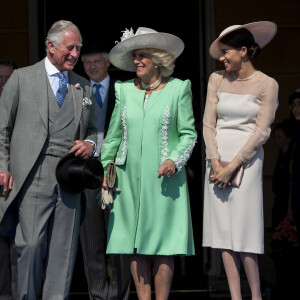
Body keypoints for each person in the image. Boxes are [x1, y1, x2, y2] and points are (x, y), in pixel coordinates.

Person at [0, 20, 97, 300]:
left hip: (70, 177)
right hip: (32, 175)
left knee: (64, 252)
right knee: (29, 245)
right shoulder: (21, 78)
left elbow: (91, 130)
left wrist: (89, 143)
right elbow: (2, 127)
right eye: (70, 48)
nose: (75, 54)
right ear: (51, 46)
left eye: (78, 48)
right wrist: (3, 167)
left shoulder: (83, 86)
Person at [100, 27, 197, 300]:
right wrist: (105, 169)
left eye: (142, 56)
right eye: (134, 56)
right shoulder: (124, 91)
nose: (136, 61)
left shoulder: (179, 89)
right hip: (128, 179)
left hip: (165, 179)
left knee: (164, 245)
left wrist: (174, 161)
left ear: (157, 58)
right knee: (135, 244)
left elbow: (189, 134)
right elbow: (113, 136)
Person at [202, 21, 279, 300]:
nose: (222, 58)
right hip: (217, 161)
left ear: (243, 51)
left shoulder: (267, 84)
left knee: (245, 234)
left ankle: (255, 295)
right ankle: (235, 296)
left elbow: (262, 131)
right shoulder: (216, 80)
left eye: (226, 52)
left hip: (246, 162)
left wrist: (233, 165)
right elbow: (208, 124)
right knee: (223, 234)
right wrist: (215, 162)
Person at [79, 40, 131, 300]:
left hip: (117, 169)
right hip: (87, 171)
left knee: (120, 236)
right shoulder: (77, 89)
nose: (91, 67)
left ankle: (120, 294)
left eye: (96, 61)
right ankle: (98, 294)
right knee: (90, 237)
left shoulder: (124, 90)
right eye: (86, 62)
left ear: (108, 62)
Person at [0, 58, 18, 300]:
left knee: (19, 246)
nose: (3, 83)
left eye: (8, 78)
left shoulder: (23, 104)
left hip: (16, 184)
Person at [271, 119, 294, 229]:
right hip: (279, 201)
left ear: (288, 139)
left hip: (287, 203)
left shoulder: (290, 159)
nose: (276, 140)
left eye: (279, 137)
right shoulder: (281, 156)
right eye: (275, 136)